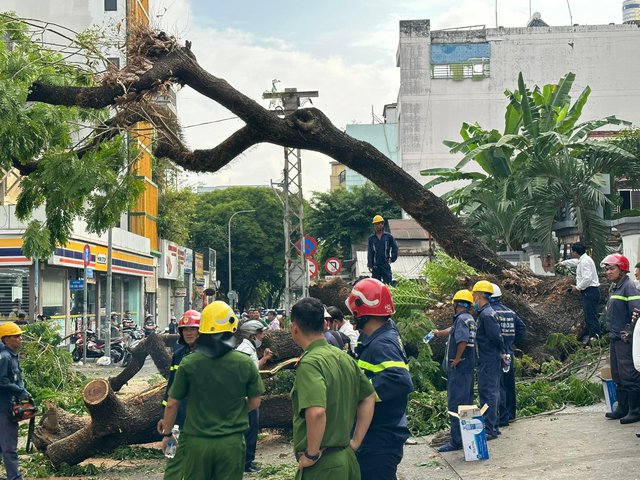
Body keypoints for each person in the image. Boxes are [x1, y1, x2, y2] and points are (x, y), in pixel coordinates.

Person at [160, 301, 264, 480]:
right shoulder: (245, 362)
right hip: (231, 442)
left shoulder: (189, 362)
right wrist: (234, 411)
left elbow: (172, 403)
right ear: (232, 329)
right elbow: (255, 401)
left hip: (196, 442)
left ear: (203, 330)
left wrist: (167, 434)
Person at [289, 297, 376, 480]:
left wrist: (311, 455)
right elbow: (368, 397)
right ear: (325, 324)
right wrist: (356, 441)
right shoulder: (343, 357)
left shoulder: (310, 363)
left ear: (294, 327)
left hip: (323, 465)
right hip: (346, 458)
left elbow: (317, 412)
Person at [346, 278, 414, 480]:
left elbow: (400, 380)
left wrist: (361, 395)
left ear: (361, 310)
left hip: (380, 439)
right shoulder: (377, 337)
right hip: (378, 435)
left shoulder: (382, 344)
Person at [158, 310, 201, 480]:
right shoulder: (178, 355)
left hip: (199, 422)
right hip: (177, 422)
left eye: (193, 329)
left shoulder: (207, 356)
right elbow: (171, 388)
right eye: (185, 329)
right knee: (173, 464)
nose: (189, 333)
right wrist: (165, 418)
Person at [432, 289, 476, 452]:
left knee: (456, 405)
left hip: (459, 369)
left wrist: (457, 358)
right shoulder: (468, 318)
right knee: (467, 404)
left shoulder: (461, 320)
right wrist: (437, 334)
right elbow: (451, 330)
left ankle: (456, 441)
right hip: (468, 369)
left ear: (456, 304)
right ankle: (468, 438)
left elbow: (462, 340)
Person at [600, 254, 640, 424]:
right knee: (617, 375)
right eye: (607, 269)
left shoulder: (628, 287)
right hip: (614, 337)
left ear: (622, 270)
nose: (608, 272)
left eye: (611, 269)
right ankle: (622, 408)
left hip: (624, 340)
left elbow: (636, 311)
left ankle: (635, 410)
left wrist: (629, 331)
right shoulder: (616, 287)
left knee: (628, 374)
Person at [236, 320, 274, 473]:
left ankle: (249, 461)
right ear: (252, 335)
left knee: (252, 429)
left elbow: (253, 367)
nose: (263, 336)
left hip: (251, 395)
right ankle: (245, 463)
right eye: (261, 333)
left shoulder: (249, 348)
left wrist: (263, 359)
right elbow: (247, 372)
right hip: (247, 397)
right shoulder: (244, 349)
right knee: (248, 430)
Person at [472, 280, 506, 440]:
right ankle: (494, 426)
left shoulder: (486, 315)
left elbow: (496, 337)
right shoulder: (486, 313)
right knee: (492, 392)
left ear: (479, 296)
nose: (473, 300)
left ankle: (490, 428)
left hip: (488, 359)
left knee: (488, 393)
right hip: (488, 358)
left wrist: (502, 353)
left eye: (473, 296)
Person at [490, 284, 526, 427]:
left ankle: (502, 417)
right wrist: (511, 342)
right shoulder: (510, 312)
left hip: (498, 353)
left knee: (500, 386)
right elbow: (522, 328)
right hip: (509, 352)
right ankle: (511, 414)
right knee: (510, 384)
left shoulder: (490, 313)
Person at [0, 321, 30, 480]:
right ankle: (15, 477)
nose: (19, 339)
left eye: (19, 336)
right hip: (4, 406)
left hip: (8, 404)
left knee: (1, 444)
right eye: (16, 336)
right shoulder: (4, 357)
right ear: (5, 339)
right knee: (9, 446)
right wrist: (22, 392)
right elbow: (2, 381)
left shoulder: (10, 355)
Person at [556, 242, 601, 347]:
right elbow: (575, 262)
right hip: (589, 291)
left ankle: (595, 339)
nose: (571, 253)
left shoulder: (585, 262)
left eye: (572, 251)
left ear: (575, 252)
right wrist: (563, 263)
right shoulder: (583, 259)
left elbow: (587, 278)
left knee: (591, 317)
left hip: (590, 291)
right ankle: (593, 337)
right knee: (589, 316)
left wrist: (577, 287)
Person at [367, 215, 398, 285]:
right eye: (375, 224)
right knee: (375, 286)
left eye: (378, 223)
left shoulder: (388, 236)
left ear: (382, 224)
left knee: (388, 285)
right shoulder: (371, 238)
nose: (377, 226)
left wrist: (392, 258)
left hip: (385, 264)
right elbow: (370, 252)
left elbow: (395, 248)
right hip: (375, 266)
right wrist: (370, 265)